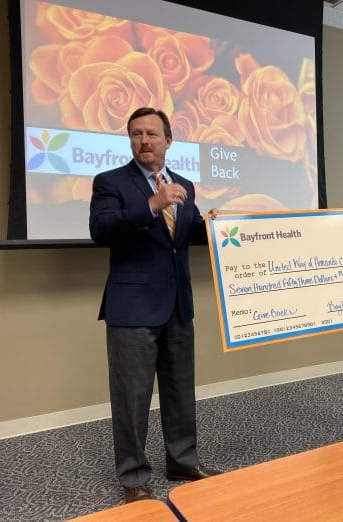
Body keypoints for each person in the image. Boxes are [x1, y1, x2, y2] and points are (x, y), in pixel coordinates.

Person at [90, 107, 221, 504]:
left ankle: (182, 460)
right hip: (132, 307)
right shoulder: (110, 182)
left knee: (181, 389)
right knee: (132, 396)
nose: (144, 140)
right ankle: (133, 478)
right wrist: (151, 203)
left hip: (179, 303)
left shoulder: (183, 184)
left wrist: (215, 226)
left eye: (151, 133)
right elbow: (101, 230)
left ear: (168, 140)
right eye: (136, 134)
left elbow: (187, 233)